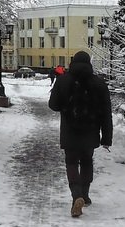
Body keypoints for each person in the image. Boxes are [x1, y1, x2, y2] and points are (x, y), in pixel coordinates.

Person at [48, 51, 112, 217]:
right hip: (90, 131)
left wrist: (65, 105)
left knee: (71, 163)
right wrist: (107, 138)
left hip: (70, 131)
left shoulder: (63, 80)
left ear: (73, 63)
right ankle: (85, 195)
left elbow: (53, 105)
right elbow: (106, 113)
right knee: (86, 162)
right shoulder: (99, 83)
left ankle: (76, 195)